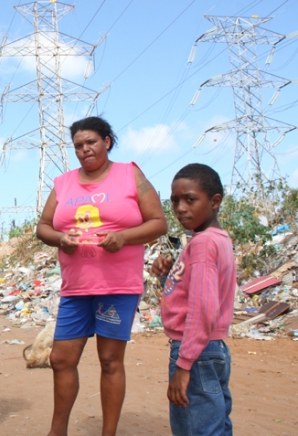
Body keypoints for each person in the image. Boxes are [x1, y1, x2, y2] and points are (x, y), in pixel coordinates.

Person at [35, 116, 167, 436]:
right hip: (76, 287)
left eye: (91, 142)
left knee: (109, 361)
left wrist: (124, 237)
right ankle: (57, 431)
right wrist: (60, 239)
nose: (84, 150)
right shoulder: (63, 183)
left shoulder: (129, 174)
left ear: (107, 141)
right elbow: (43, 227)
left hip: (117, 285)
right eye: (78, 145)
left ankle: (108, 433)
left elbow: (158, 223)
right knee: (61, 359)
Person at [150, 164, 235, 436]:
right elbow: (196, 295)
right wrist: (166, 278)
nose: (180, 208)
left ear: (215, 201)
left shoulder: (201, 244)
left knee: (196, 429)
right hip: (213, 350)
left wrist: (184, 365)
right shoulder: (217, 239)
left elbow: (202, 310)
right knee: (215, 425)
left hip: (195, 351)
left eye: (190, 199)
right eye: (175, 201)